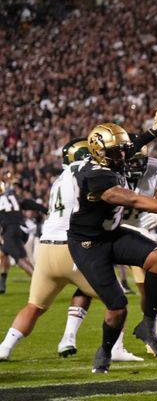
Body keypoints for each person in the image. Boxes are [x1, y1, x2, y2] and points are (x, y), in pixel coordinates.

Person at [68, 120, 157, 373]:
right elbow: (130, 198)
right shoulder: (95, 175)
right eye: (117, 152)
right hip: (88, 244)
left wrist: (153, 132)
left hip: (111, 233)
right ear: (100, 152)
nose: (123, 155)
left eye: (122, 150)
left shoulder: (109, 158)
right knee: (118, 307)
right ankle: (105, 352)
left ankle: (148, 326)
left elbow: (131, 147)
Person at [0, 140, 98, 361]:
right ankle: (71, 339)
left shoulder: (58, 180)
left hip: (46, 248)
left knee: (34, 305)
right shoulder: (88, 173)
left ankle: (5, 347)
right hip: (71, 247)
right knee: (114, 299)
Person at [0, 170, 47, 292]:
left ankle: (41, 283)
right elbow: (27, 203)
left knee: (21, 260)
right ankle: (2, 282)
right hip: (20, 229)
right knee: (4, 253)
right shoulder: (14, 197)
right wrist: (44, 209)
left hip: (9, 230)